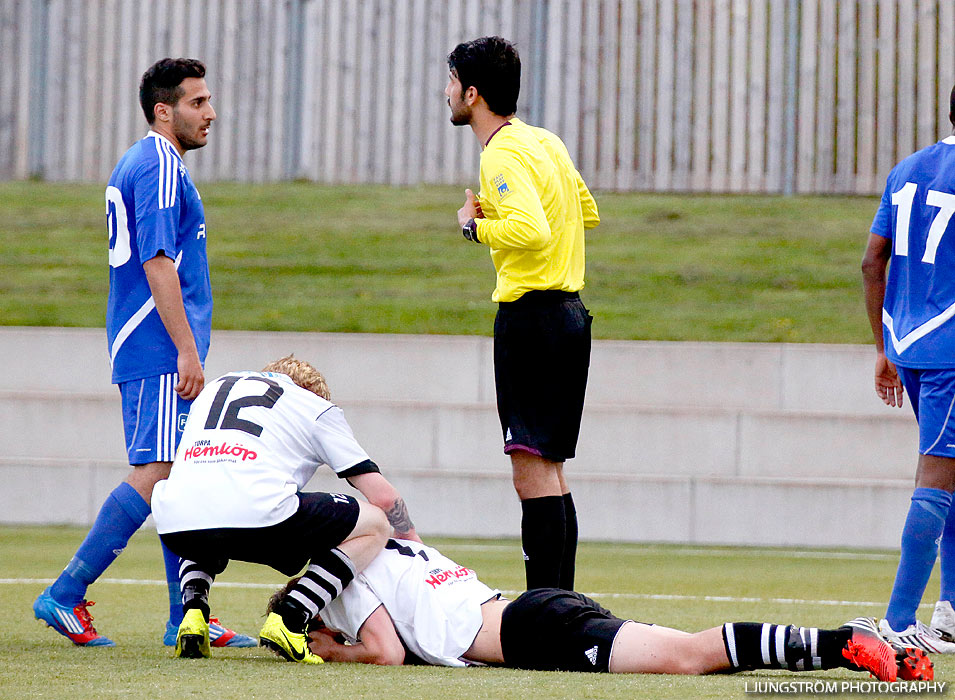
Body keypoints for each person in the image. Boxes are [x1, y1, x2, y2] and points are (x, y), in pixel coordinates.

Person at [32, 58, 254, 649]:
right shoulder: (157, 162)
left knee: (175, 478)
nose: (211, 113)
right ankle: (66, 592)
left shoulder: (152, 161)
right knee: (157, 472)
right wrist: (186, 350)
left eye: (209, 101)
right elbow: (158, 261)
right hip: (156, 343)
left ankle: (187, 614)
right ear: (164, 110)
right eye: (198, 102)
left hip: (153, 343)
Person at [271, 538, 933, 681]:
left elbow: (383, 651)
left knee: (687, 656)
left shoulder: (346, 589)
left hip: (534, 629)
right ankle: (843, 647)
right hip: (534, 610)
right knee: (689, 654)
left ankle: (840, 644)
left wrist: (328, 648)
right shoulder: (392, 547)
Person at [446, 36, 599, 591]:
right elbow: (585, 208)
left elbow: (530, 230)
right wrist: (512, 212)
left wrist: (475, 224)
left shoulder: (500, 154)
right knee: (551, 468)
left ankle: (544, 606)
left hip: (532, 319)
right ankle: (563, 602)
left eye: (452, 83)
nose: (448, 94)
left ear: (472, 92)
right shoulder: (543, 141)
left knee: (530, 467)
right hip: (569, 315)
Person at [151, 355, 421, 663]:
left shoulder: (215, 388)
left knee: (204, 506)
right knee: (375, 522)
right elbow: (383, 497)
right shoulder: (312, 404)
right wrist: (414, 542)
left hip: (174, 521)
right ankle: (291, 617)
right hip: (258, 513)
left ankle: (193, 614)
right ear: (310, 390)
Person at [862, 84, 955, 654]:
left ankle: (948, 610)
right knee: (937, 477)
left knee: (951, 473)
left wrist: (882, 347)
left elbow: (874, 260)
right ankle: (898, 621)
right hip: (951, 349)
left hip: (910, 343)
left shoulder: (909, 169)